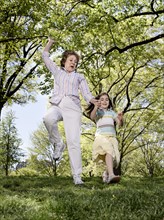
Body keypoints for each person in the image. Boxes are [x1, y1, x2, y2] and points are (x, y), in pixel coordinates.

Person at [42, 37, 98, 185]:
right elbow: (45, 56)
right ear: (64, 61)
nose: (74, 63)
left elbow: (86, 93)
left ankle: (77, 176)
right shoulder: (57, 72)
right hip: (58, 104)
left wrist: (92, 100)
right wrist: (50, 43)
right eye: (71, 60)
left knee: (73, 142)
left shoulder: (79, 77)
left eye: (76, 62)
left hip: (73, 107)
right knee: (48, 118)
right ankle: (58, 143)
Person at [86, 92, 123, 184]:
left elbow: (119, 124)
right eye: (102, 99)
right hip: (101, 137)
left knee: (115, 159)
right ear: (98, 102)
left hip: (112, 138)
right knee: (109, 150)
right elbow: (92, 116)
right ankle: (111, 175)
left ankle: (106, 173)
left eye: (107, 99)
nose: (104, 101)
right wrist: (95, 106)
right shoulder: (98, 111)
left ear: (109, 102)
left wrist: (121, 118)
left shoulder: (111, 113)